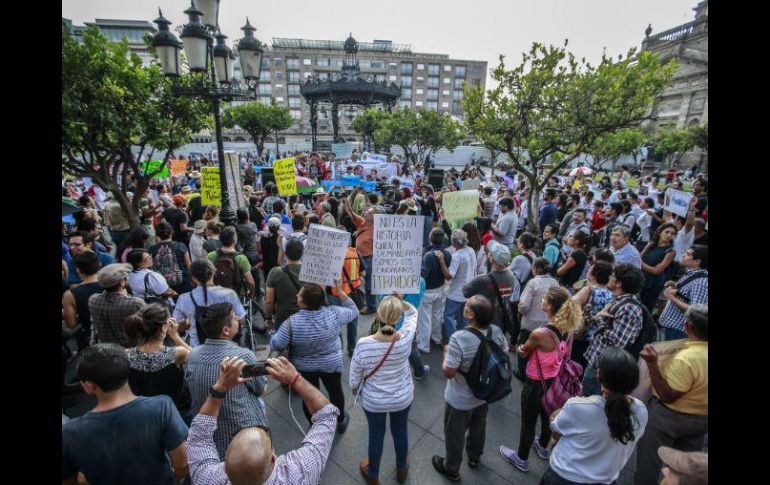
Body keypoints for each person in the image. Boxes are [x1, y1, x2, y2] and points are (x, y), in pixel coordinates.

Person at [188, 355, 339, 485]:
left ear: (226, 458)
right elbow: (326, 415)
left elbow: (199, 437)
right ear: (274, 458)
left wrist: (220, 387)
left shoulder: (207, 478)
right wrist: (295, 378)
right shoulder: (301, 471)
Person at [61, 344, 189, 485]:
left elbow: (68, 481)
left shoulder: (70, 432)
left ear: (89, 386)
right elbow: (182, 464)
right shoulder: (161, 407)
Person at [500, 286, 582, 473]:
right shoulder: (567, 327)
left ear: (551, 306)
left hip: (536, 382)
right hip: (553, 380)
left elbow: (524, 351)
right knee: (547, 417)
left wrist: (521, 349)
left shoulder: (540, 333)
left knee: (528, 422)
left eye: (544, 298)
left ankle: (521, 458)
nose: (542, 301)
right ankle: (543, 447)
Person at [539, 347, 648, 484]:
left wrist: (556, 414)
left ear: (599, 375)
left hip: (565, 476)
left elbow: (556, 428)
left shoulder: (578, 406)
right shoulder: (641, 412)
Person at [432, 296, 506, 481]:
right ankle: (474, 456)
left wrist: (446, 352)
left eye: (466, 306)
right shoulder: (496, 331)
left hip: (459, 400)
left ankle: (452, 468)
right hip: (484, 394)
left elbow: (449, 372)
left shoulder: (459, 338)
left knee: (455, 435)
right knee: (479, 427)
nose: (464, 307)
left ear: (470, 315)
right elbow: (503, 354)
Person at [269, 279, 359, 432]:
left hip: (305, 368)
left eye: (300, 295)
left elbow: (275, 344)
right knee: (335, 391)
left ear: (303, 303)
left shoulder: (291, 323)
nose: (297, 295)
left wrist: (272, 332)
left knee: (309, 396)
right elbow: (353, 310)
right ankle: (340, 420)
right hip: (331, 364)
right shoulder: (334, 313)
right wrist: (340, 291)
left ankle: (314, 425)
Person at [635, 305, 708, 485]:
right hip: (701, 418)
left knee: (648, 465)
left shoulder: (686, 358)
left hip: (668, 417)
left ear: (686, 326)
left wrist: (652, 364)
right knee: (686, 470)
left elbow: (668, 396)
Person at [186, 302, 269, 459]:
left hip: (211, 436)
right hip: (245, 436)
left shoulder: (193, 355)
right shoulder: (244, 355)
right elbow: (260, 389)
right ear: (225, 330)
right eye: (233, 317)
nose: (237, 318)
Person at [351, 295, 419, 485]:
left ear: (378, 315)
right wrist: (400, 300)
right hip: (402, 397)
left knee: (376, 434)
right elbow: (413, 312)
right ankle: (401, 469)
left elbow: (355, 375)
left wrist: (355, 389)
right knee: (400, 431)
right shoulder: (405, 338)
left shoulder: (364, 344)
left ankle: (373, 473)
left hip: (374, 401)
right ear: (398, 319)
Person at [581, 263, 645, 397]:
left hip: (603, 366)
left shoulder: (629, 307)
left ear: (619, 283)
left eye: (613, 276)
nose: (609, 277)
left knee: (593, 402)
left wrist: (599, 320)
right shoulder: (618, 300)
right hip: (597, 361)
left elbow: (618, 342)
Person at [125, 303, 192, 424]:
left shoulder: (127, 355)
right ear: (163, 327)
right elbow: (197, 358)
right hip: (176, 408)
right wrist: (175, 336)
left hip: (145, 411)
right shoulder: (177, 354)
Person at [174, 260, 246, 347]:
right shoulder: (229, 294)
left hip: (198, 350)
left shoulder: (184, 299)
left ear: (193, 278)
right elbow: (242, 320)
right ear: (213, 272)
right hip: (227, 348)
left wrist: (189, 322)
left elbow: (176, 326)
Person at [515, 257, 560, 379]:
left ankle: (522, 373)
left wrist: (520, 312)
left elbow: (524, 305)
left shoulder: (533, 283)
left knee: (524, 349)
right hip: (548, 324)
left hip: (530, 324)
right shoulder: (554, 283)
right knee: (539, 351)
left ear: (534, 268)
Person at [462, 240, 518, 332]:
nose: (487, 254)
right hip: (502, 323)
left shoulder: (482, 280)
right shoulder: (511, 276)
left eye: (490, 253)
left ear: (491, 259)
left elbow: (465, 292)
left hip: (484, 325)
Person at [89, 263, 147, 347]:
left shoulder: (93, 299)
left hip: (105, 348)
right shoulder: (135, 303)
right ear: (122, 282)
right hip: (130, 350)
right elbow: (148, 327)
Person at [570, 260, 614, 372]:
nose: (588, 271)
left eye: (590, 270)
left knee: (572, 368)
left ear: (594, 276)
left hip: (581, 336)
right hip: (597, 339)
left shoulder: (589, 290)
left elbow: (569, 306)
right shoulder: (612, 295)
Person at [658, 245, 708, 341]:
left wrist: (672, 297)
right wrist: (675, 285)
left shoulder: (701, 282)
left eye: (688, 254)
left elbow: (696, 312)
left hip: (678, 332)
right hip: (671, 329)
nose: (683, 255)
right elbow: (686, 294)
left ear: (697, 261)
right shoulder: (690, 273)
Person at [435, 229, 478, 339]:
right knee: (464, 317)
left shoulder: (457, 255)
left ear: (454, 242)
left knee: (448, 316)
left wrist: (441, 260)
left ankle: (454, 339)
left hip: (456, 293)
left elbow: (449, 276)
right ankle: (462, 338)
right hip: (469, 290)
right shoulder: (471, 250)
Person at [342, 198, 380, 315]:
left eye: (368, 212)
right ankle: (361, 302)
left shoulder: (377, 228)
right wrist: (346, 202)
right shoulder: (361, 222)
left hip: (369, 258)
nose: (365, 212)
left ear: (374, 217)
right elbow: (350, 212)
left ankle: (371, 306)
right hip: (358, 257)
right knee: (355, 280)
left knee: (369, 284)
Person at [418, 228, 452, 353]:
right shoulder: (447, 254)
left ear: (430, 239)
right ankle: (437, 338)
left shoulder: (428, 256)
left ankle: (424, 345)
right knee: (437, 315)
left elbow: (423, 274)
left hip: (427, 291)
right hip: (441, 289)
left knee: (425, 319)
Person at [62, 250, 103, 350]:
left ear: (78, 270)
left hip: (88, 338)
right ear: (100, 265)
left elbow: (71, 323)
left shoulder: (70, 294)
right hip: (115, 336)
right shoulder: (112, 285)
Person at [265, 239, 304, 332]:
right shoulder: (310, 273)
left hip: (283, 320)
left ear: (285, 253)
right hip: (305, 320)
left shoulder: (275, 272)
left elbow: (269, 301)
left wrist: (269, 318)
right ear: (302, 253)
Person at [209, 226, 257, 298]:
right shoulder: (241, 258)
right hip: (235, 294)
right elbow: (250, 282)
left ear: (220, 240)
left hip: (216, 293)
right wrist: (251, 293)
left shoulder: (211, 256)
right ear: (235, 241)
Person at [639, 223, 677, 313]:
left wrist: (641, 264)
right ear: (660, 232)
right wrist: (646, 248)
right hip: (641, 278)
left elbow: (656, 271)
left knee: (645, 309)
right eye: (667, 232)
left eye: (672, 233)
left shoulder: (670, 251)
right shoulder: (651, 245)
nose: (669, 235)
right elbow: (639, 257)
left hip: (653, 283)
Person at [150, 221, 193, 295]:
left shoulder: (152, 249)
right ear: (172, 232)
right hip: (183, 283)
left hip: (163, 286)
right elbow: (189, 266)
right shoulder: (180, 246)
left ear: (157, 234)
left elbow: (152, 267)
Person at [258, 217, 283, 286]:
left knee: (268, 284)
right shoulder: (281, 238)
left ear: (268, 226)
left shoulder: (263, 238)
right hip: (277, 266)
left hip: (266, 265)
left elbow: (259, 251)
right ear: (278, 227)